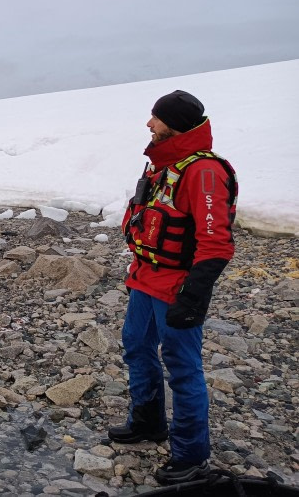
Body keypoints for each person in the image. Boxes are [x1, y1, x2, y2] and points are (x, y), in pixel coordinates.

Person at [111, 90, 238, 485]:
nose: (149, 124)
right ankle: (148, 423)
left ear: (175, 123)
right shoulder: (162, 165)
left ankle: (191, 456)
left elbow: (216, 241)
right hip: (145, 278)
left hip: (177, 288)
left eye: (156, 118)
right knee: (136, 348)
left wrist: (194, 296)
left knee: (183, 370)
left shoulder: (203, 172)